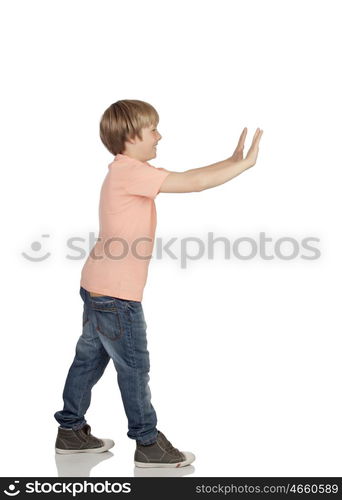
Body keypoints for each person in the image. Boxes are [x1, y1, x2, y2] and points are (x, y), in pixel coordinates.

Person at [54, 99, 263, 468]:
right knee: (134, 367)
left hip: (99, 286)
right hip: (116, 295)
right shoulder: (130, 172)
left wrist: (232, 161)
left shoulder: (128, 169)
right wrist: (244, 167)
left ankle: (70, 432)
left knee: (88, 361)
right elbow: (193, 183)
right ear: (131, 136)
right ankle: (148, 443)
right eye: (152, 130)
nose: (159, 135)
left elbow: (188, 174)